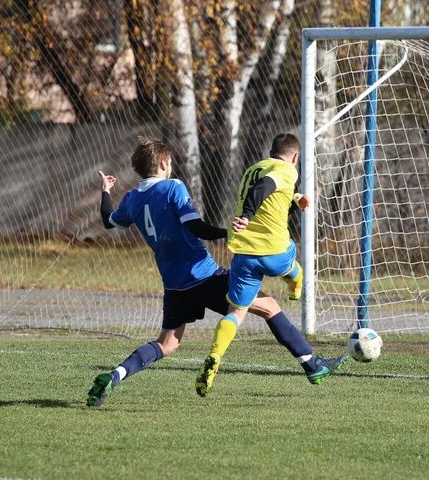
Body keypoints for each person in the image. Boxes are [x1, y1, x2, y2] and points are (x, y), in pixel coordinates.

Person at [86, 138, 345, 406]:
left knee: (168, 344)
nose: (171, 167)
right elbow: (196, 228)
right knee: (269, 306)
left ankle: (114, 376)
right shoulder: (172, 187)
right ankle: (313, 365)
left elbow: (108, 220)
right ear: (163, 164)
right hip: (204, 276)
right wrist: (228, 231)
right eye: (171, 163)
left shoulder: (131, 198)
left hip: (174, 284)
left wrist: (106, 191)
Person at [196, 133, 333, 397]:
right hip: (273, 251)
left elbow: (269, 202)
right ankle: (295, 284)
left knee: (237, 312)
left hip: (244, 253)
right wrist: (247, 216)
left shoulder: (252, 169)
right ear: (295, 157)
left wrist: (294, 203)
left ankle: (214, 356)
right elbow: (266, 188)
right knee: (293, 258)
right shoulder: (286, 171)